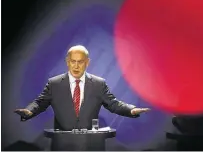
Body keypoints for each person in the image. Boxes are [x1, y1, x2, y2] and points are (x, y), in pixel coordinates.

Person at [15, 45, 150, 131]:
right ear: (67, 62)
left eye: (80, 62)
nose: (76, 66)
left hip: (90, 144)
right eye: (73, 61)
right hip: (62, 143)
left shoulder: (99, 84)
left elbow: (113, 104)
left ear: (87, 63)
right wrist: (29, 111)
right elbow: (40, 103)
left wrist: (131, 110)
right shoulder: (54, 83)